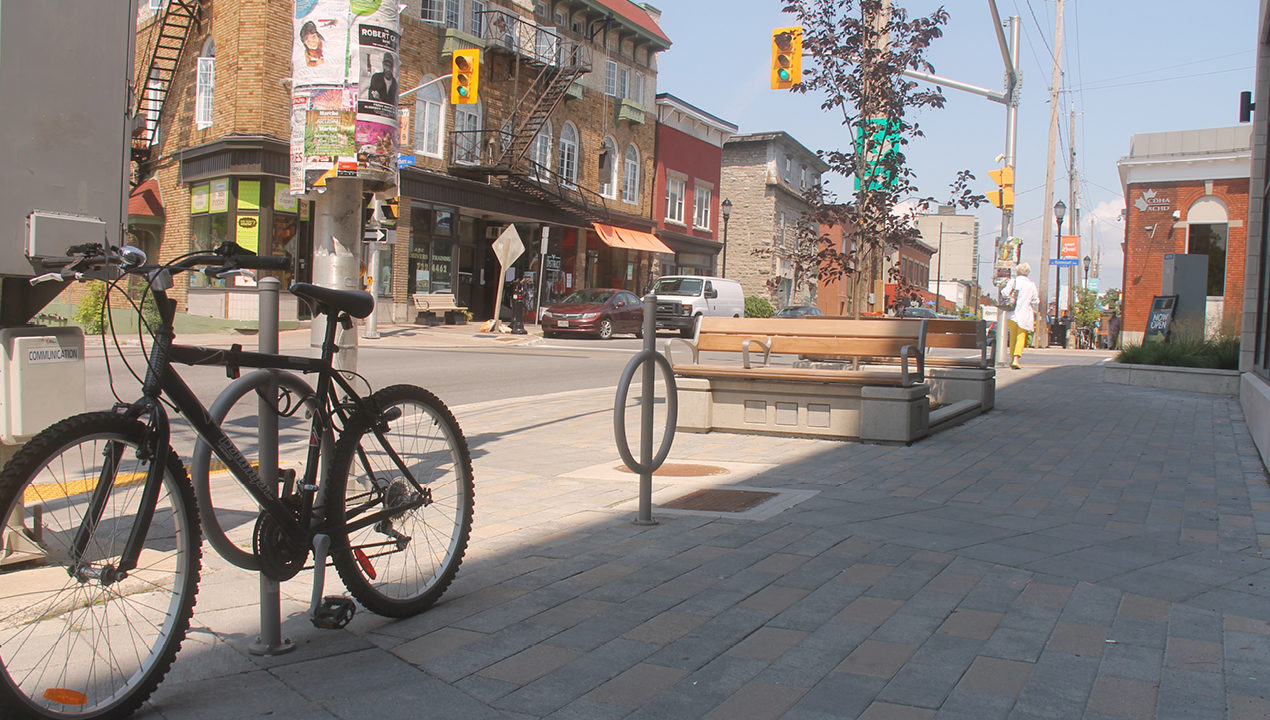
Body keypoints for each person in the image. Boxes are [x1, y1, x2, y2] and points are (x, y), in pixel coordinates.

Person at [1001, 262, 1039, 369]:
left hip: (1012, 313)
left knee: (1012, 336)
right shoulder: (1031, 285)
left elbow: (1004, 293)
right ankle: (1016, 359)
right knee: (1021, 336)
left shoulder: (1013, 282)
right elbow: (1035, 300)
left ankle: (1013, 357)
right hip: (1025, 313)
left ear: (1018, 271)